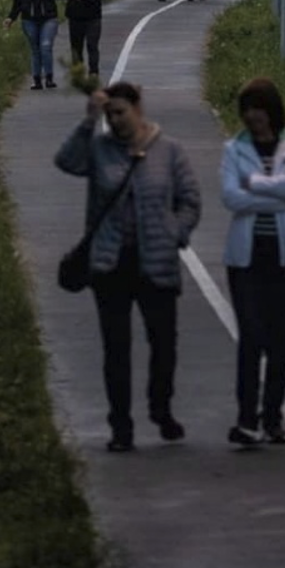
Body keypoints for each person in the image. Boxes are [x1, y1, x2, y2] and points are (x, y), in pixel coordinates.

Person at [55, 81, 202, 451]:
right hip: (111, 262)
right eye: (110, 114)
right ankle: (120, 425)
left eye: (121, 112)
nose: (116, 120)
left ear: (138, 109)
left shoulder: (169, 151)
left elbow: (190, 198)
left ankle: (161, 409)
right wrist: (89, 121)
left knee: (164, 344)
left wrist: (176, 232)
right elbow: (66, 162)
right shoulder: (100, 150)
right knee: (116, 349)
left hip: (157, 260)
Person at [220, 77, 285, 446]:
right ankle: (246, 418)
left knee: (278, 336)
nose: (251, 117)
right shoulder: (234, 150)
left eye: (257, 109)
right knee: (250, 336)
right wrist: (276, 194)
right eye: (246, 111)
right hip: (246, 256)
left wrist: (255, 185)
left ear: (271, 111)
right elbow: (231, 197)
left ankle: (272, 416)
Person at [4, 0, 62, 89]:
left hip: (48, 17)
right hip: (29, 18)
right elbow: (18, 0)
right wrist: (11, 17)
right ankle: (36, 79)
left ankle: (48, 77)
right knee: (35, 49)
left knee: (45, 46)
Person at [60, 0, 108, 81]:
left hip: (92, 17)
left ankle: (94, 71)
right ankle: (79, 71)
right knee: (76, 47)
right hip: (74, 18)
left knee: (92, 45)